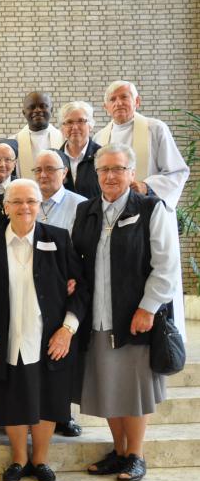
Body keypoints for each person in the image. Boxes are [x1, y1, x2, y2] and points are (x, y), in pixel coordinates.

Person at [71, 144, 178, 481]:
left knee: (133, 390)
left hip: (133, 316)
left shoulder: (150, 208)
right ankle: (118, 452)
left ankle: (136, 455)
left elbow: (165, 266)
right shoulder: (86, 210)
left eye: (118, 168)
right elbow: (78, 259)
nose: (111, 175)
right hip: (97, 317)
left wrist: (148, 307)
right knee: (109, 387)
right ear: (96, 174)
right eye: (104, 169)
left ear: (132, 173)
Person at [0, 179, 87, 481]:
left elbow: (80, 287)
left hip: (49, 337)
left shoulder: (58, 239)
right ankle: (19, 459)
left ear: (39, 205)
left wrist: (67, 329)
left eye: (31, 201)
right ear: (6, 206)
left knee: (49, 397)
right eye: (17, 202)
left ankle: (41, 460)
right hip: (5, 337)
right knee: (11, 398)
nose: (25, 207)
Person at [95, 80, 189, 336]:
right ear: (106, 107)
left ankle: (162, 333)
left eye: (124, 97)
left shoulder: (155, 129)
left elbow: (178, 171)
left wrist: (147, 186)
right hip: (114, 220)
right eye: (113, 99)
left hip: (152, 213)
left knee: (157, 266)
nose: (119, 103)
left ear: (137, 102)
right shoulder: (100, 137)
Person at [32, 150, 88, 438]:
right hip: (33, 292)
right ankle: (34, 413)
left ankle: (62, 415)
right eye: (38, 169)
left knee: (62, 355)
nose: (43, 175)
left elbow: (86, 250)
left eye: (50, 169)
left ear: (64, 172)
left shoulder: (81, 206)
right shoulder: (28, 202)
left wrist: (74, 279)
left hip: (68, 289)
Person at [3, 92, 64, 179]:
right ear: (24, 113)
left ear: (51, 110)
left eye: (43, 106)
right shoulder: (13, 142)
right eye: (32, 107)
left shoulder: (64, 138)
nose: (37, 110)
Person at [57, 102, 101, 199]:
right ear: (62, 128)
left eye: (81, 121)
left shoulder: (103, 156)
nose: (75, 127)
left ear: (90, 125)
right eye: (69, 122)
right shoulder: (55, 160)